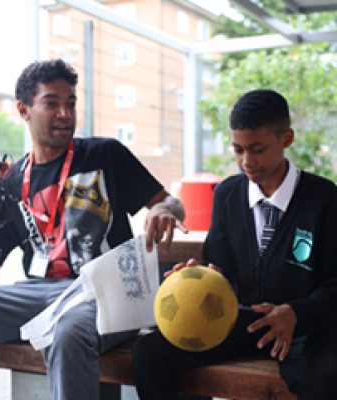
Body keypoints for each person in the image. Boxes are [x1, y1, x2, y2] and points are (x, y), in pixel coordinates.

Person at [0, 59, 187, 400]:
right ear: (24, 110)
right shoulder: (10, 180)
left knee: (65, 331)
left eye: (70, 103)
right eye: (51, 103)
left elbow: (174, 203)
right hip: (39, 295)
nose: (65, 113)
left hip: (105, 292)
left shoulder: (105, 154)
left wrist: (161, 207)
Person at [132, 89, 337, 400]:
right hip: (240, 323)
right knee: (150, 353)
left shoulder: (325, 199)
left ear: (287, 138)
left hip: (303, 329)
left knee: (326, 377)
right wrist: (199, 277)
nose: (246, 162)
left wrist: (295, 313)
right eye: (238, 150)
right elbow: (221, 268)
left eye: (257, 149)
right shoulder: (227, 194)